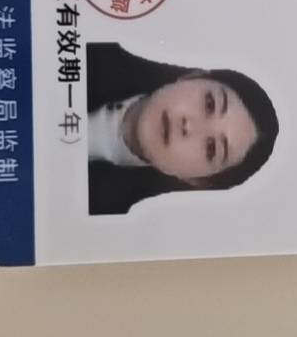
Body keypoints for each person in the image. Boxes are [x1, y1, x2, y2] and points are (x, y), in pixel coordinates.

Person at [86, 42, 279, 215]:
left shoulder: (113, 215)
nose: (188, 125)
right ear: (191, 76)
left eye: (211, 149)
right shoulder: (95, 49)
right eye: (209, 104)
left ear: (196, 180)